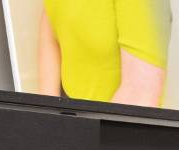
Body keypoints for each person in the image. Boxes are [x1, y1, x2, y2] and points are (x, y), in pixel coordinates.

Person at [37, 0, 170, 107]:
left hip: (117, 128)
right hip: (71, 112)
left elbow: (141, 95)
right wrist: (49, 113)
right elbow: (53, 15)